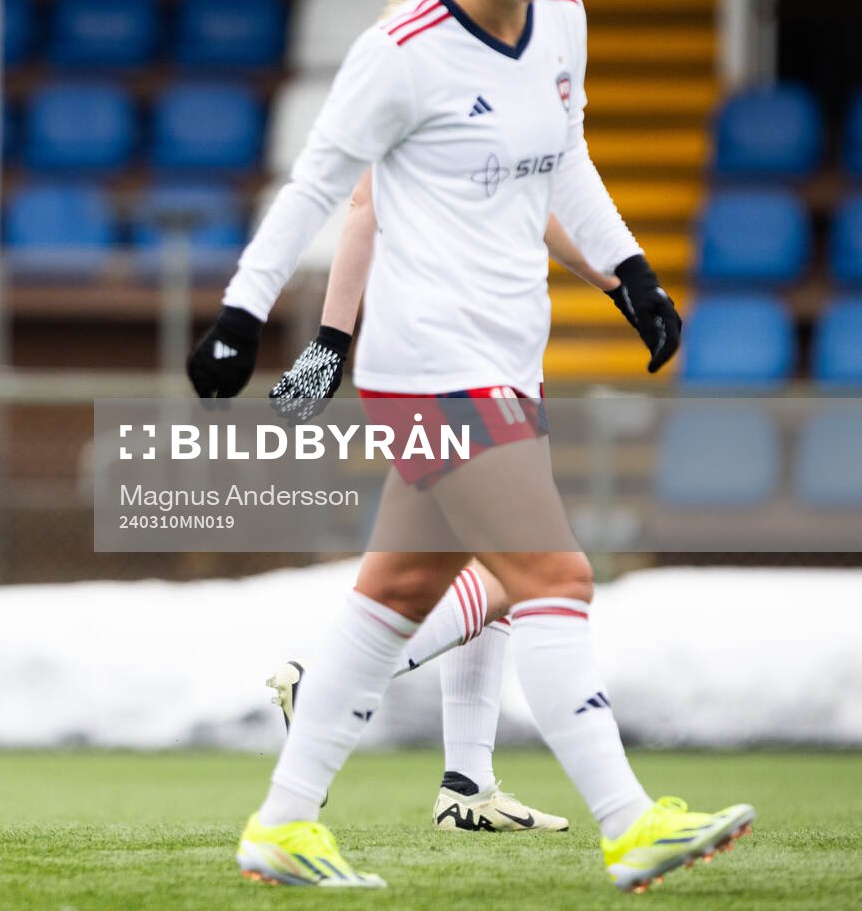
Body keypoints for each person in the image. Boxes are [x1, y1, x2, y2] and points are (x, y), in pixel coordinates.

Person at [186, 0, 751, 892]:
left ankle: (281, 823)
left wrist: (630, 273)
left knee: (396, 591)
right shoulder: (400, 52)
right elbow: (316, 185)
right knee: (551, 572)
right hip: (427, 362)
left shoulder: (564, 25)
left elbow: (563, 151)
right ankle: (629, 823)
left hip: (504, 350)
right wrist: (240, 312)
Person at [262, 174, 648, 836]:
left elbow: (535, 209)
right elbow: (365, 201)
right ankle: (628, 821)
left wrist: (619, 284)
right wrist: (331, 337)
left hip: (500, 358)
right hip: (453, 361)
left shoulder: (507, 96)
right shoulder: (434, 77)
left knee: (438, 578)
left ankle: (465, 784)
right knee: (527, 573)